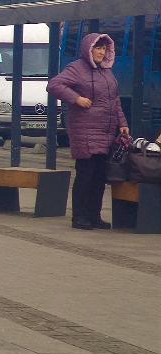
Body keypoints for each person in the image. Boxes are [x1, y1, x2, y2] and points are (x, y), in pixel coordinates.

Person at [47, 33, 129, 230]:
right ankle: (80, 216)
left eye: (104, 49)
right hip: (84, 130)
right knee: (86, 174)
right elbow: (54, 85)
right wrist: (76, 98)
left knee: (100, 176)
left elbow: (115, 101)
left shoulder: (107, 72)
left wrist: (122, 123)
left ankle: (94, 215)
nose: (101, 52)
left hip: (105, 131)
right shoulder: (76, 68)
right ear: (89, 49)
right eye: (97, 48)